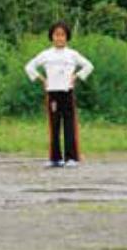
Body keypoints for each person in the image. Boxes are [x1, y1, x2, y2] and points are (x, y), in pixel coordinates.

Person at [25, 21, 94, 167]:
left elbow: (89, 65)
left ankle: (71, 158)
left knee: (69, 125)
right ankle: (55, 158)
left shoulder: (72, 54)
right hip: (53, 94)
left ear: (67, 37)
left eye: (62, 35)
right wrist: (42, 79)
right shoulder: (46, 54)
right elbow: (29, 66)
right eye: (56, 35)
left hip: (67, 92)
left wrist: (76, 76)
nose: (59, 38)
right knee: (54, 125)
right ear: (52, 37)